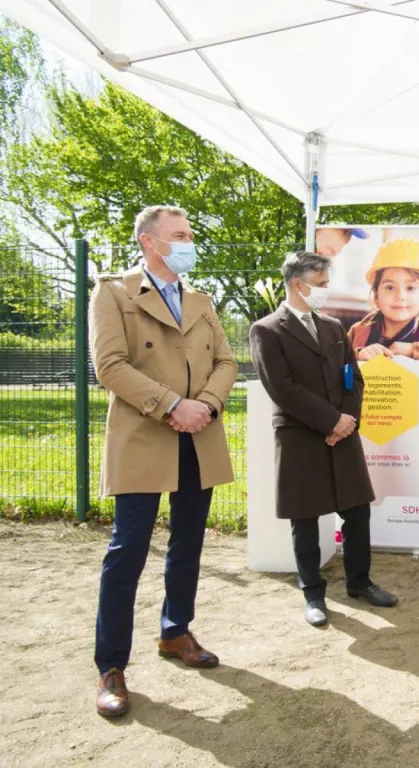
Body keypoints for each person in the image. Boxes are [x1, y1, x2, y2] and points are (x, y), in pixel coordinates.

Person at [89, 205, 238, 717]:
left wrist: (207, 407)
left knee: (189, 542)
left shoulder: (201, 298)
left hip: (199, 435)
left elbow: (226, 360)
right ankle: (111, 666)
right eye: (180, 235)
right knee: (127, 549)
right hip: (145, 434)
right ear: (150, 242)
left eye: (189, 234)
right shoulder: (113, 293)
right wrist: (173, 405)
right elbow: (109, 365)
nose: (188, 242)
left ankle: (176, 632)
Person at [249, 250, 398, 628]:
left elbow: (354, 378)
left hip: (344, 432)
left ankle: (360, 582)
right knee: (305, 519)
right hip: (302, 436)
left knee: (357, 511)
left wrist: (346, 421)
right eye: (322, 284)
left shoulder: (333, 328)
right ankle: (313, 593)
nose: (326, 291)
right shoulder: (266, 330)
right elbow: (282, 388)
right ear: (299, 285)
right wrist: (330, 421)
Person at [347, 238, 419, 362]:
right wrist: (358, 354)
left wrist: (413, 349)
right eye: (390, 287)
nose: (400, 296)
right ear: (376, 295)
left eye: (410, 288)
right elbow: (335, 359)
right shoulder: (358, 331)